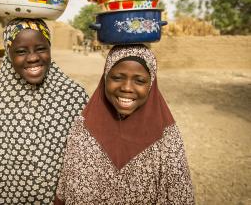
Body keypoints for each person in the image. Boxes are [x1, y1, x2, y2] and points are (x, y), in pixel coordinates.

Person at [54, 44, 195, 204]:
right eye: (117, 78)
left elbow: (179, 195)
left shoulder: (166, 136)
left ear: (151, 84)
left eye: (140, 80)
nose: (127, 88)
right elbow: (68, 187)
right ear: (105, 77)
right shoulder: (84, 128)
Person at [0, 18, 89, 204]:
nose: (33, 57)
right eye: (21, 51)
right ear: (8, 54)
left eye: (41, 48)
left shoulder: (74, 97)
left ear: (50, 48)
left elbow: (87, 160)